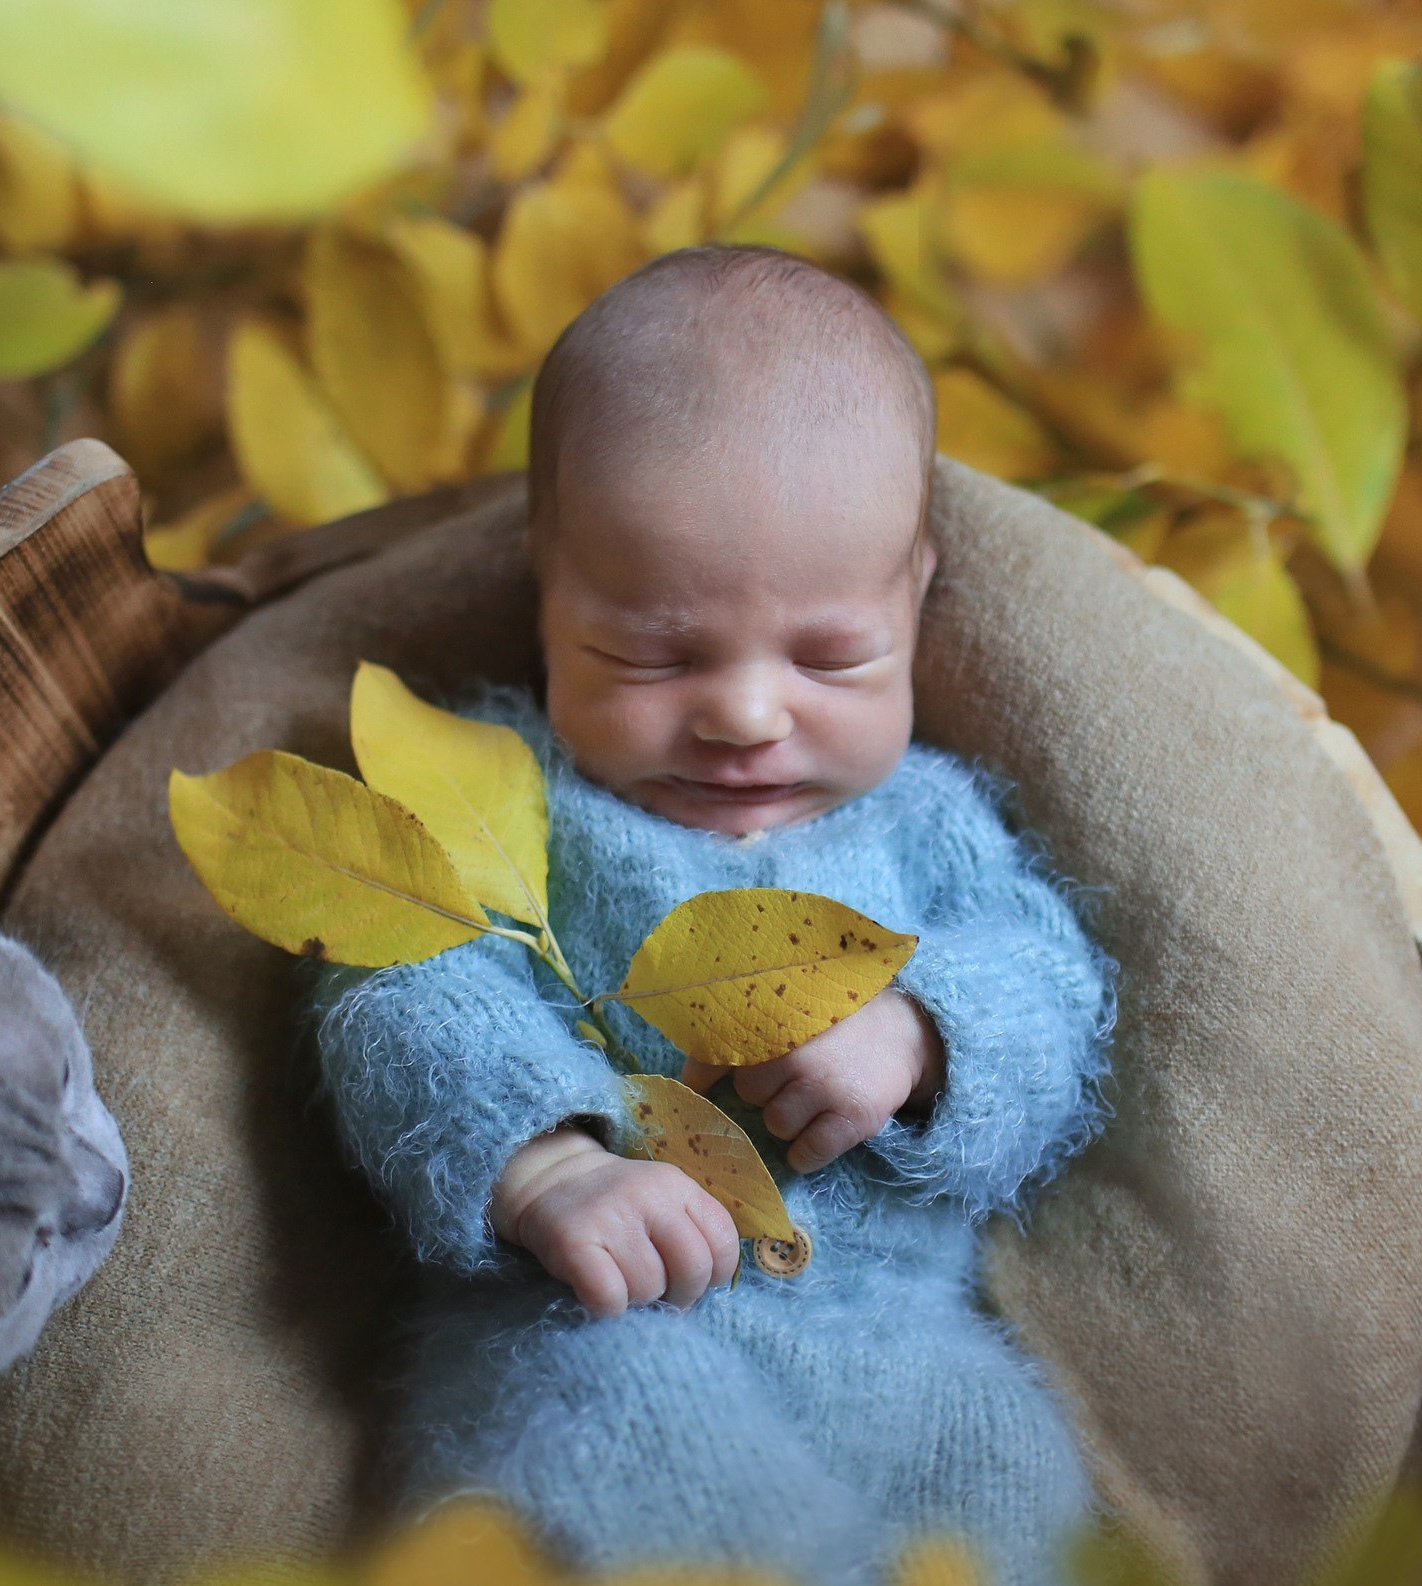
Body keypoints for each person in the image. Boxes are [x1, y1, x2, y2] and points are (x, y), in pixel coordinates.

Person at [314, 244, 1116, 1586]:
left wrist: (922, 1031)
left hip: (907, 1354)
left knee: (1013, 1470)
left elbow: (1049, 978)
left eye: (830, 655)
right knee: (603, 1441)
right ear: (547, 588)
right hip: (602, 1327)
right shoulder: (512, 797)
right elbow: (400, 983)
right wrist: (547, 1161)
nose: (746, 712)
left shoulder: (928, 823)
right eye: (653, 651)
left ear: (914, 594)